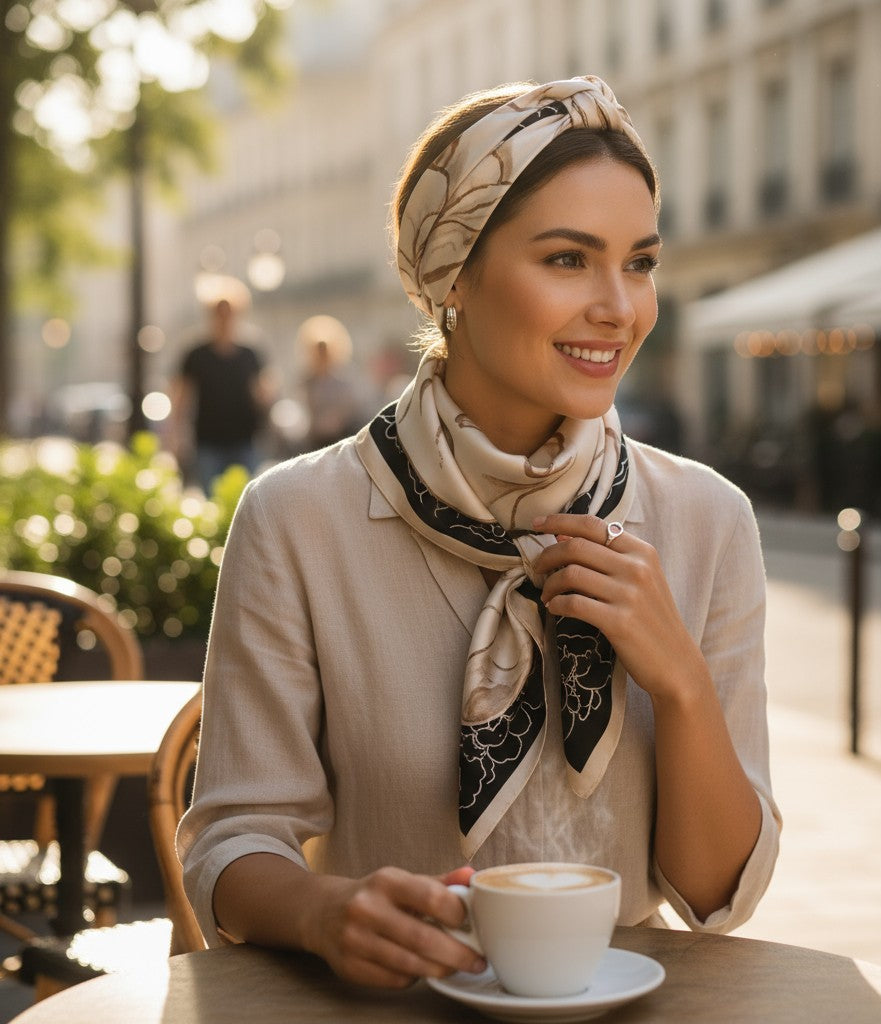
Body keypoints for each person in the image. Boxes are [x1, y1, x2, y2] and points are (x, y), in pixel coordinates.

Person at [179, 76, 781, 990]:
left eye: (642, 261)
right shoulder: (299, 519)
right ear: (453, 272)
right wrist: (322, 912)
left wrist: (683, 684)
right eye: (569, 260)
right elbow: (232, 837)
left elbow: (715, 897)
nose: (621, 307)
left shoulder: (707, 520)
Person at [169, 296, 273, 493]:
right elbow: (181, 396)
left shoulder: (250, 353)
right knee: (212, 498)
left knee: (247, 499)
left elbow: (262, 393)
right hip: (208, 441)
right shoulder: (196, 354)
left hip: (245, 440)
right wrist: (175, 435)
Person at [297, 315, 364, 452]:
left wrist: (335, 419)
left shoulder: (343, 378)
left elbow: (350, 406)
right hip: (316, 439)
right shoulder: (307, 380)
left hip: (342, 434)